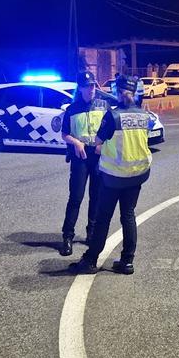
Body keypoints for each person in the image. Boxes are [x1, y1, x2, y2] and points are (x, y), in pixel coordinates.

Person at [69, 75, 153, 275]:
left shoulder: (112, 116)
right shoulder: (144, 115)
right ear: (135, 93)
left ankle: (91, 260)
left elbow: (97, 141)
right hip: (138, 174)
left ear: (116, 92)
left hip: (114, 177)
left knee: (103, 217)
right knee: (128, 215)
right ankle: (127, 261)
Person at [58, 71, 109, 256]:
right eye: (87, 86)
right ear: (80, 88)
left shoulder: (103, 106)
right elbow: (64, 134)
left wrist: (102, 144)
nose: (91, 89)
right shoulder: (72, 109)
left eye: (93, 85)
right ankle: (67, 237)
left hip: (97, 157)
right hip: (80, 157)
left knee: (96, 197)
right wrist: (76, 142)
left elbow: (109, 130)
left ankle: (91, 234)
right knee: (76, 198)